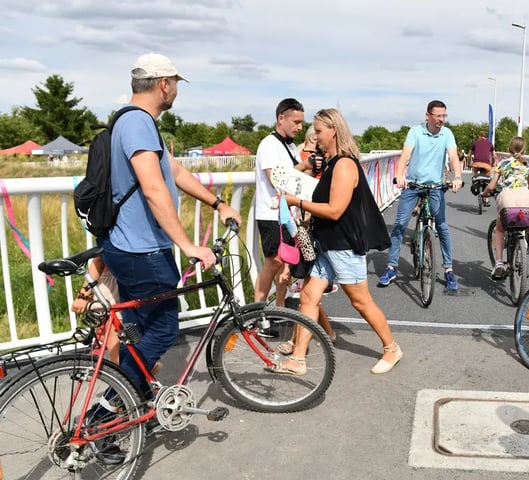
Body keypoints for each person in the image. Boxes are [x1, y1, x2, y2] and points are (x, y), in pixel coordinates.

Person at [103, 53, 241, 396]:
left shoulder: (139, 122)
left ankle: (133, 403)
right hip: (142, 251)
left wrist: (219, 203)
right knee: (163, 330)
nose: (176, 91)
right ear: (164, 84)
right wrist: (188, 245)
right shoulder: (137, 123)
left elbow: (174, 172)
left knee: (136, 333)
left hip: (129, 248)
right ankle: (107, 411)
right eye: (176, 84)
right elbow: (153, 189)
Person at [281, 108, 400, 375]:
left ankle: (392, 348)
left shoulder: (345, 165)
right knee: (309, 297)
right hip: (327, 243)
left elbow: (335, 210)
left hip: (344, 244)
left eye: (319, 131)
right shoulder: (332, 163)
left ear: (333, 130)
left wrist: (297, 202)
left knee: (361, 302)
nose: (315, 137)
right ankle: (298, 359)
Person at [378, 100, 464, 291]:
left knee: (441, 226)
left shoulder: (447, 134)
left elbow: (453, 156)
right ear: (428, 116)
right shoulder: (415, 132)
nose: (441, 119)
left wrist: (457, 177)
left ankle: (449, 270)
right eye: (438, 116)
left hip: (436, 186)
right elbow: (405, 155)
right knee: (400, 224)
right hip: (413, 184)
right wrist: (400, 175)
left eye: (444, 116)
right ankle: (391, 267)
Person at [253, 98, 306, 309]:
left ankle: (281, 308)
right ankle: (256, 311)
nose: (299, 127)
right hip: (270, 213)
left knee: (286, 261)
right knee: (273, 261)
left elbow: (297, 178)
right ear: (281, 118)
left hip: (287, 214)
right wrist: (305, 166)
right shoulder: (268, 145)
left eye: (301, 122)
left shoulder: (290, 146)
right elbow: (276, 179)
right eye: (295, 121)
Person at [481, 137, 529, 279]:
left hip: (507, 198)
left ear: (509, 149)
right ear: (524, 150)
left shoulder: (503, 164)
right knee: (522, 223)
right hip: (525, 198)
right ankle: (523, 252)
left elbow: (492, 186)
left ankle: (499, 263)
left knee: (499, 228)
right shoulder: (526, 165)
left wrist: (484, 194)